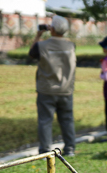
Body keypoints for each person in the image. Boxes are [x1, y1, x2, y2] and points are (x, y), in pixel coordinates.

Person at [28, 15, 76, 156]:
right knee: (67, 120)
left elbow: (31, 54)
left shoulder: (41, 45)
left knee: (45, 121)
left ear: (52, 29)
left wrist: (38, 35)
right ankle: (70, 149)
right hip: (66, 89)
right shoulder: (71, 46)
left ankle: (45, 151)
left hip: (46, 90)